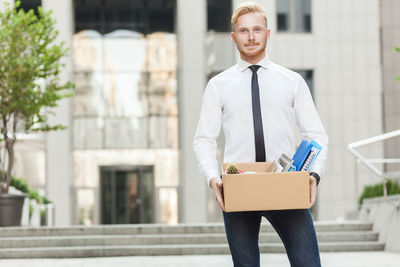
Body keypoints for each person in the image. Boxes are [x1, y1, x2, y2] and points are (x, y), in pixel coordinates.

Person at [193, 2, 328, 267]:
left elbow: (316, 134)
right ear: (234, 37)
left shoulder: (292, 81)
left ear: (268, 33)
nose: (251, 36)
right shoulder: (218, 85)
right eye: (243, 31)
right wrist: (213, 178)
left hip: (285, 183)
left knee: (307, 263)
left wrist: (313, 174)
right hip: (238, 184)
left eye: (257, 29)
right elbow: (204, 140)